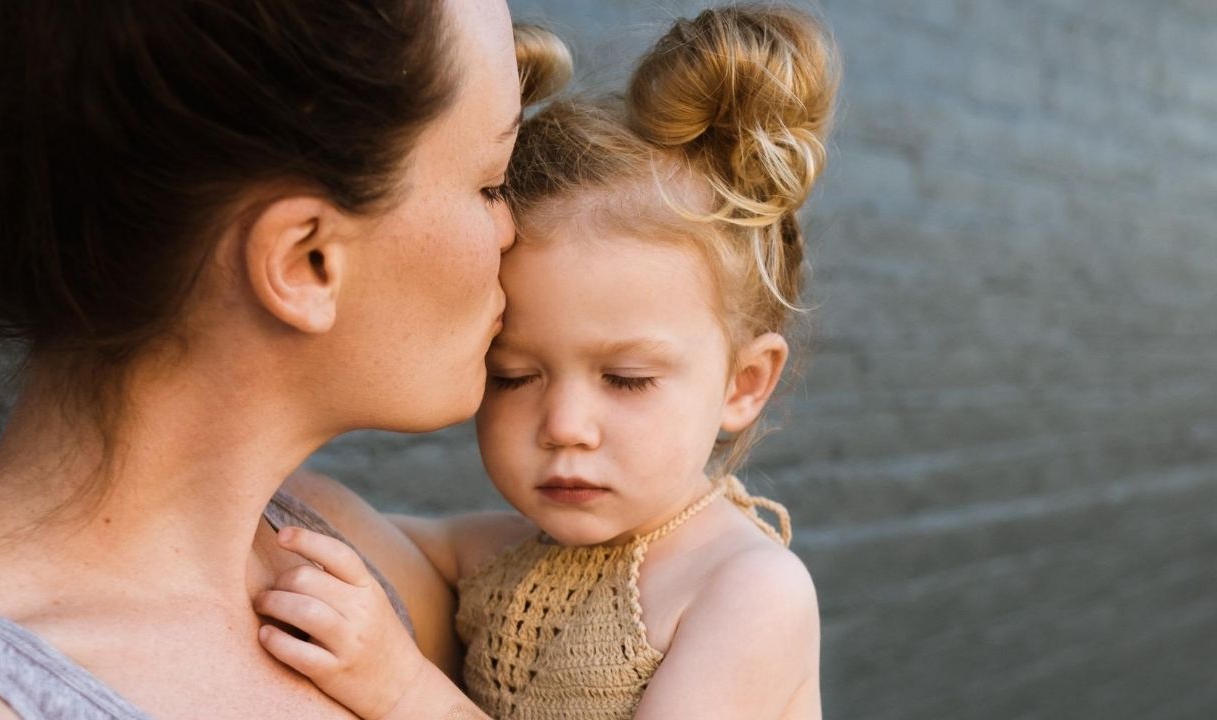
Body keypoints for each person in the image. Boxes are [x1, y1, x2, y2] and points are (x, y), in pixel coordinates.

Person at [0, 1, 562, 718]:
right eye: (489, 185)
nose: (513, 232)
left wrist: (715, 588)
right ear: (306, 261)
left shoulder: (339, 550)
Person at [253, 6, 840, 719]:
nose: (565, 426)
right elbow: (332, 522)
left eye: (625, 379)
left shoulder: (744, 589)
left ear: (743, 385)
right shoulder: (501, 557)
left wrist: (402, 689)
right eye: (515, 376)